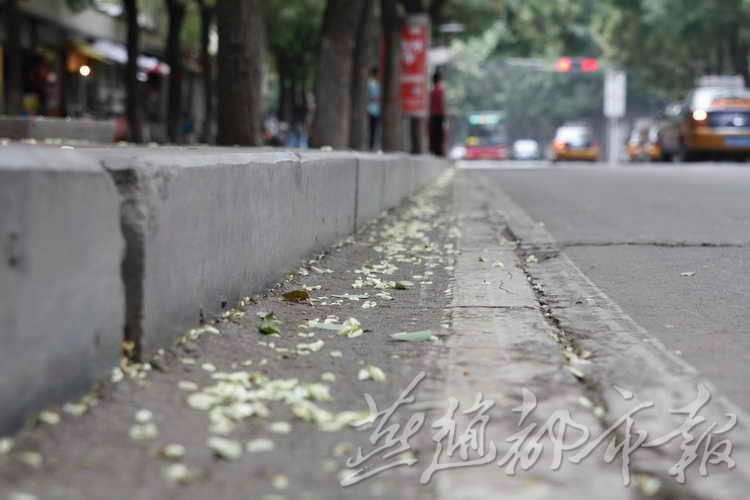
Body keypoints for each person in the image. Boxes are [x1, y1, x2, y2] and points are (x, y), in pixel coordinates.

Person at [429, 70, 446, 156]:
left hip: (433, 115)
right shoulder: (439, 91)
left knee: (434, 134)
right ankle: (439, 151)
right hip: (439, 115)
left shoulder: (432, 92)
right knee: (439, 134)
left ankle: (435, 150)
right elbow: (441, 105)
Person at [367, 67, 381, 150]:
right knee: (372, 128)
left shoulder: (376, 83)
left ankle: (373, 145)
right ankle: (371, 146)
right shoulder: (371, 83)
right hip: (372, 109)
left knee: (375, 128)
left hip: (376, 109)